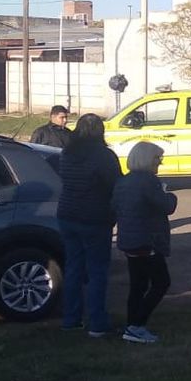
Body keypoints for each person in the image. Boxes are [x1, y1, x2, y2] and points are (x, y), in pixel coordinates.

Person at [57, 114, 122, 337]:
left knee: (73, 268)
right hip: (95, 217)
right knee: (97, 271)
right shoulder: (104, 156)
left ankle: (71, 318)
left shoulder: (67, 153)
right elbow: (116, 184)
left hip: (67, 214)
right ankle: (97, 322)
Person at [113, 141, 178, 344]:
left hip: (129, 240)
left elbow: (114, 206)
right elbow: (167, 206)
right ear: (149, 160)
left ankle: (131, 324)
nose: (160, 163)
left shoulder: (123, 181)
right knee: (161, 283)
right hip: (147, 241)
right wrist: (169, 194)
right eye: (158, 159)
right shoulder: (149, 181)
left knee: (138, 285)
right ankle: (136, 326)